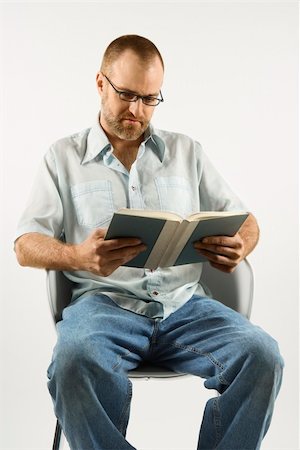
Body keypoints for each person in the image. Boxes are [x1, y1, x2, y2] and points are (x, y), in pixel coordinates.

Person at [15, 34, 283, 450]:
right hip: (103, 307)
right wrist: (78, 256)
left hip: (186, 306)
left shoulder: (186, 151)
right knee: (72, 362)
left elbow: (247, 221)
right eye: (126, 95)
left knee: (262, 355)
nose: (137, 111)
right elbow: (25, 244)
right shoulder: (63, 157)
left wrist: (241, 245)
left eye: (150, 98)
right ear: (101, 83)